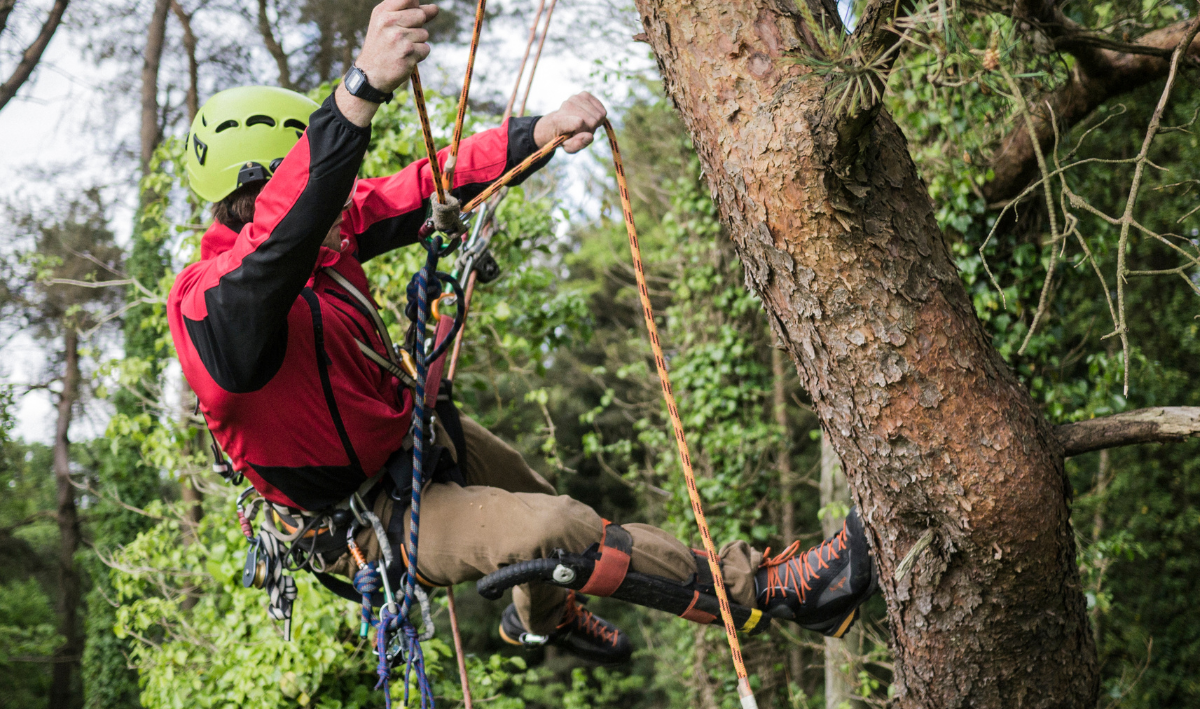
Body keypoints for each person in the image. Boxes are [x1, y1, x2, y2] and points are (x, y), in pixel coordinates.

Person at [167, 0, 878, 665]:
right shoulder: (211, 310)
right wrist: (357, 93)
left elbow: (420, 187)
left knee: (535, 494)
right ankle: (778, 594)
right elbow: (271, 261)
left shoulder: (329, 230)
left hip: (412, 439)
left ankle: (541, 620)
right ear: (268, 192)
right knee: (555, 531)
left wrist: (537, 133)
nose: (343, 204)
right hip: (364, 521)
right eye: (321, 187)